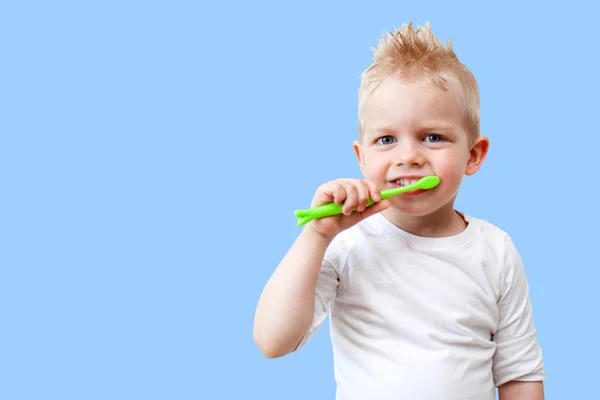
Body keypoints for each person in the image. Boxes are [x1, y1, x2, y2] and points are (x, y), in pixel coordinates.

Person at [253, 22, 545, 400]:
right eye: (386, 139)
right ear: (362, 157)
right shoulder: (346, 244)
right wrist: (317, 236)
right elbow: (273, 340)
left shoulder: (496, 249)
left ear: (473, 155)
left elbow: (519, 375)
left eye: (432, 137)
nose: (408, 157)